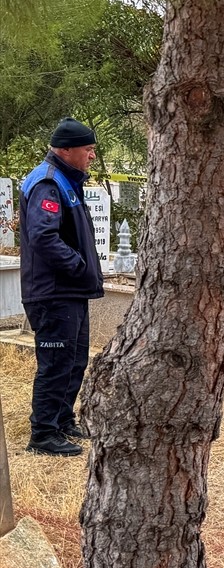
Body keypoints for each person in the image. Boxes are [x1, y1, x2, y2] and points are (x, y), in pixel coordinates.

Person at [19, 118, 104, 456]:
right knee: (56, 362)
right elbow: (43, 236)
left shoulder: (66, 180)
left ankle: (62, 420)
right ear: (66, 150)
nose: (92, 156)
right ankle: (42, 434)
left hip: (70, 292)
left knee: (74, 360)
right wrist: (77, 267)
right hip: (53, 292)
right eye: (88, 149)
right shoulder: (48, 183)